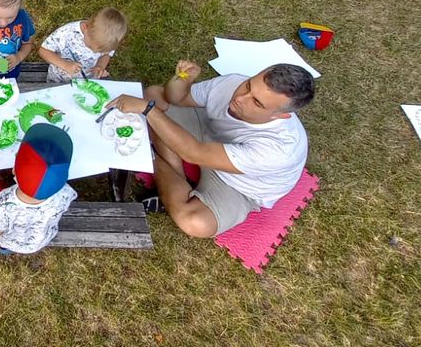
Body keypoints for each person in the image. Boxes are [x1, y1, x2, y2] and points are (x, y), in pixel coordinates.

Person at [107, 62, 314, 237]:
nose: (241, 97)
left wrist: (148, 111)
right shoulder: (232, 83)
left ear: (280, 116)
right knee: (153, 94)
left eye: (257, 103)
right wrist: (183, 80)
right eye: (248, 85)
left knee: (195, 223)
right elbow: (176, 98)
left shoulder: (279, 150)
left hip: (240, 184)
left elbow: (193, 152)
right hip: (210, 134)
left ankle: (152, 158)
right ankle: (177, 178)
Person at [0, 124, 77, 254]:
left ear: (13, 170)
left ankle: (5, 249)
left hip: (10, 240)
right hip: (37, 242)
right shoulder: (65, 194)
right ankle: (6, 250)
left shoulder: (3, 204)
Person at [38, 7, 128, 83]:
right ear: (85, 28)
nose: (95, 52)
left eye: (99, 52)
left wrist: (100, 66)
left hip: (86, 83)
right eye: (90, 47)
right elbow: (43, 51)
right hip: (58, 81)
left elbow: (106, 54)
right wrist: (65, 65)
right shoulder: (67, 33)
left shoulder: (107, 41)